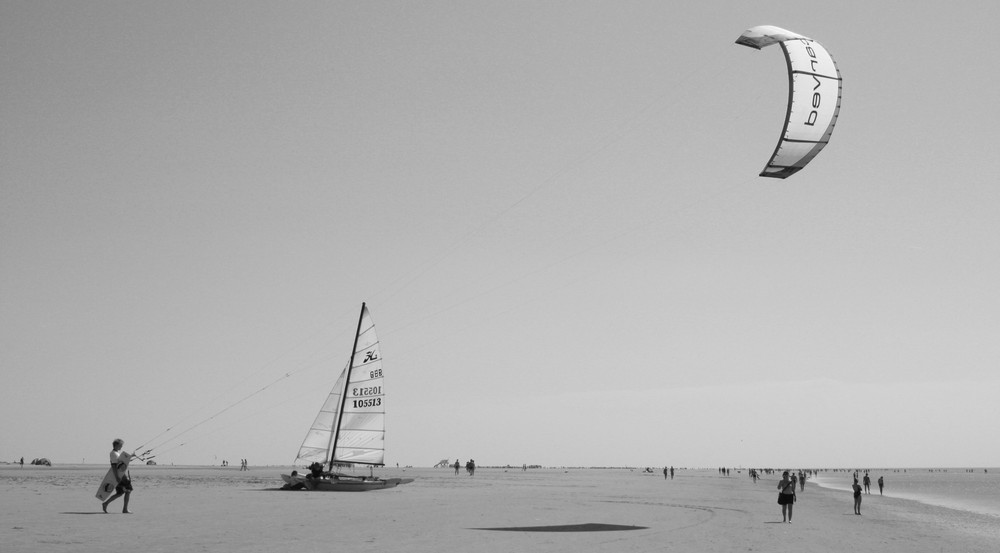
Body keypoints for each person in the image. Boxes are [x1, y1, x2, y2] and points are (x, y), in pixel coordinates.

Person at [102, 438, 137, 514]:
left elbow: (122, 462)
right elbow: (114, 466)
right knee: (128, 491)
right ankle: (125, 509)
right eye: (121, 445)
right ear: (116, 445)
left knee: (120, 493)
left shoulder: (116, 453)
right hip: (120, 476)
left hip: (120, 475)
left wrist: (131, 456)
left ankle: (106, 503)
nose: (121, 447)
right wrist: (117, 477)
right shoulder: (113, 454)